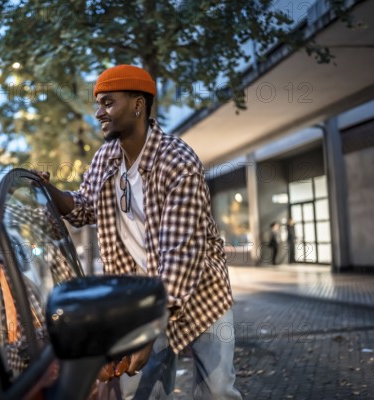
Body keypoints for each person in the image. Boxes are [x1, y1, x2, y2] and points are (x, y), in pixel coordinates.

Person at [33, 65, 241, 399]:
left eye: (108, 103)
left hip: (200, 292)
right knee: (138, 392)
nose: (98, 112)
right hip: (141, 295)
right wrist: (51, 192)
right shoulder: (105, 158)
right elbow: (85, 206)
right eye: (98, 103)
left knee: (217, 392)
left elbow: (180, 254)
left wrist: (149, 330)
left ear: (137, 105)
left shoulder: (178, 162)